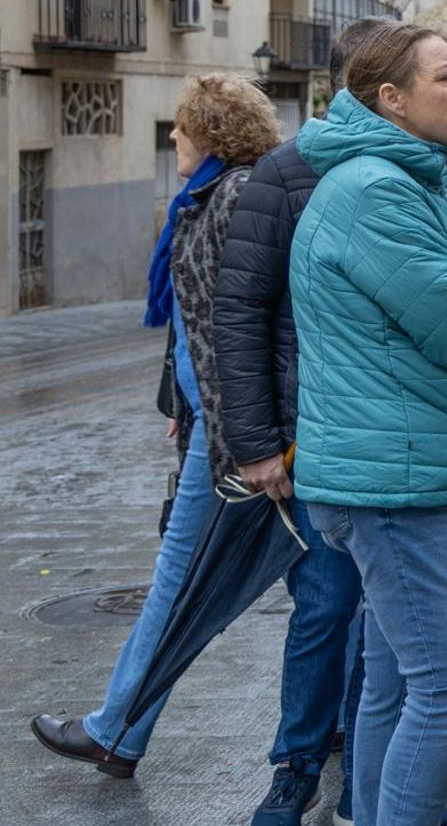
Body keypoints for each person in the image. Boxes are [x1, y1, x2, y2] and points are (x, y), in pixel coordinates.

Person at [291, 22, 447, 826]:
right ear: (391, 97)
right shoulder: (375, 191)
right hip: (396, 480)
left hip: (417, 466)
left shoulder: (422, 178)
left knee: (395, 680)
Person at [30, 75, 281, 783]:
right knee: (200, 580)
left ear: (211, 130)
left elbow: (239, 325)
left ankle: (116, 730)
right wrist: (184, 403)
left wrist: (233, 429)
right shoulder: (212, 196)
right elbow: (194, 331)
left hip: (233, 433)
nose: (172, 137)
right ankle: (121, 732)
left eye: (179, 126)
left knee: (184, 580)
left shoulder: (231, 197)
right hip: (216, 423)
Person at [210, 17, 386, 826]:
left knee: (386, 621)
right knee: (325, 605)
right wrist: (253, 444)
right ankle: (297, 768)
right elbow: (238, 314)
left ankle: (368, 780)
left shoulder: (420, 175)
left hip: (400, 440)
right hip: (308, 438)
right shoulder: (282, 175)